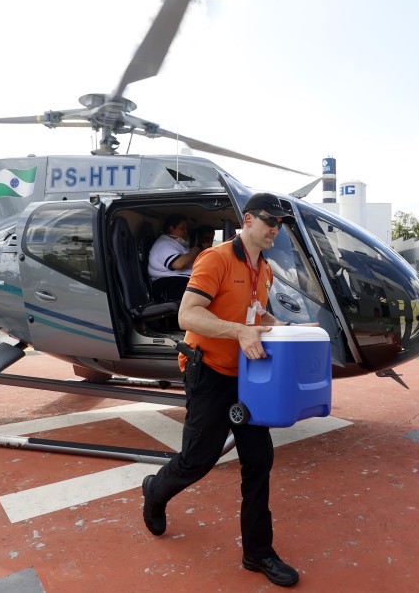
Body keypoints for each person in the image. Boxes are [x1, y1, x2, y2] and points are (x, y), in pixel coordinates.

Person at [140, 192, 300, 587]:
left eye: (280, 225)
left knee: (259, 460)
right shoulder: (215, 259)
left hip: (248, 376)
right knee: (197, 460)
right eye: (269, 221)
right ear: (247, 220)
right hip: (210, 371)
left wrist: (282, 327)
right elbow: (188, 314)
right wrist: (240, 331)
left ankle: (257, 552)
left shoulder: (264, 268)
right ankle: (155, 491)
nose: (274, 230)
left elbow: (254, 311)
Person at [147, 214, 202, 300]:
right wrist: (194, 252)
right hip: (170, 285)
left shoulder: (178, 244)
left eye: (186, 229)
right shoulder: (164, 244)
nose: (186, 231)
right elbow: (179, 264)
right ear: (171, 229)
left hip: (181, 282)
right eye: (182, 228)